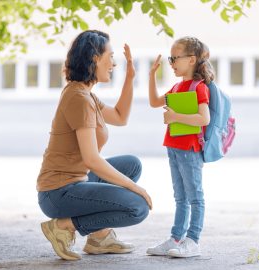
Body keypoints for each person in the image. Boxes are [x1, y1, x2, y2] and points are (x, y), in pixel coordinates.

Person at [37, 30, 152, 261]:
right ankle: (63, 226)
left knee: (131, 165)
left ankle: (99, 237)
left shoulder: (85, 93)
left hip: (75, 182)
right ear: (94, 58)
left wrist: (130, 78)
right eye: (110, 56)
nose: (114, 63)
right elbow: (91, 159)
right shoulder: (79, 98)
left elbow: (120, 117)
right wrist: (135, 188)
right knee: (137, 207)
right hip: (58, 193)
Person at [146, 36, 213, 258]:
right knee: (180, 196)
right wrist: (151, 76)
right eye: (170, 58)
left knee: (195, 196)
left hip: (190, 149)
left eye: (175, 58)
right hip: (174, 146)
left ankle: (192, 240)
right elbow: (155, 102)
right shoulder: (176, 86)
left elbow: (203, 119)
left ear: (192, 59)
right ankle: (176, 238)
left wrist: (176, 116)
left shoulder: (198, 87)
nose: (172, 63)